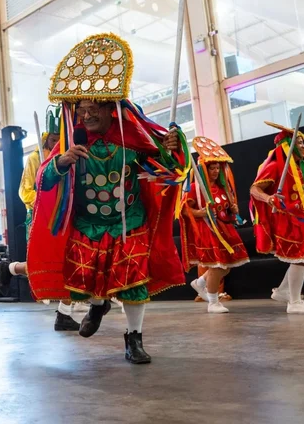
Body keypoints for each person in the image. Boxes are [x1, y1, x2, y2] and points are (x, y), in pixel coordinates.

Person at [26, 33, 189, 364]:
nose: (86, 116)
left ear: (110, 109)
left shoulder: (134, 141)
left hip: (130, 225)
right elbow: (43, 181)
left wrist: (173, 149)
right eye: (81, 110)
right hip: (87, 226)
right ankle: (98, 306)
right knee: (88, 281)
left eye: (92, 109)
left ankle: (134, 339)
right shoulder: (71, 143)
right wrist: (61, 162)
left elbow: (167, 172)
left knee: (132, 285)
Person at [0, 107, 81, 331]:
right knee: (46, 261)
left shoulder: (73, 152)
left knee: (71, 261)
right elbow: (25, 191)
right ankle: (11, 268)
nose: (55, 144)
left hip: (69, 214)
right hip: (42, 215)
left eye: (59, 140)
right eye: (53, 140)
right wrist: (46, 202)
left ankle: (64, 314)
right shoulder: (36, 158)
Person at [250, 122, 304, 314]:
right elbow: (254, 188)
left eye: (303, 143)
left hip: (301, 217)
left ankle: (283, 291)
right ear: (287, 146)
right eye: (299, 143)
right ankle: (294, 302)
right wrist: (269, 198)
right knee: (301, 257)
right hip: (287, 218)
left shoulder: (300, 169)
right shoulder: (274, 166)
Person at [181, 137, 249, 313]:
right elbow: (184, 210)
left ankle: (200, 282)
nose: (216, 171)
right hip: (208, 230)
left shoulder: (222, 188)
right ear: (204, 169)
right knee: (217, 266)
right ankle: (213, 302)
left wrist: (233, 210)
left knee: (226, 268)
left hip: (225, 230)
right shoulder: (195, 188)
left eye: (218, 168)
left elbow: (225, 211)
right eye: (212, 168)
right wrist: (200, 213)